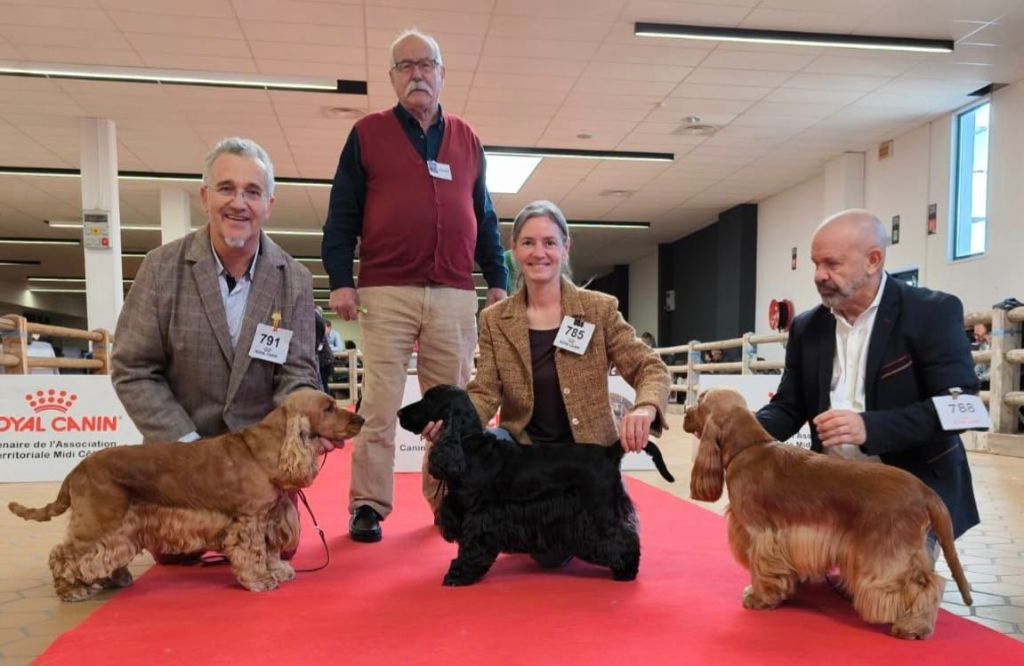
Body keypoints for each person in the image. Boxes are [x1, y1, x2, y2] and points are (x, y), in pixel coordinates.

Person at [321, 28, 507, 543]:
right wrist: (340, 280)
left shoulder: (467, 139)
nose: (417, 73)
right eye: (406, 66)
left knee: (452, 406)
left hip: (453, 291)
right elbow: (342, 214)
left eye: (427, 64)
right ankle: (368, 505)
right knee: (379, 404)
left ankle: (448, 499)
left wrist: (497, 278)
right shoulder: (367, 134)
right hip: (385, 290)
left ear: (442, 74)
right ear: (392, 78)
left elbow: (484, 217)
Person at [112, 137, 328, 563]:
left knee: (280, 551)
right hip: (182, 463)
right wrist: (187, 445)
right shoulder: (160, 268)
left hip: (258, 467)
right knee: (175, 557)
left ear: (269, 204)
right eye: (227, 188)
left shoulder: (295, 280)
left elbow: (298, 374)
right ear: (205, 196)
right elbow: (132, 368)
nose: (239, 203)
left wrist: (308, 424)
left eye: (252, 192)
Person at [422, 200, 671, 525]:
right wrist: (451, 424)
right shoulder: (496, 319)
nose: (539, 252)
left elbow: (650, 368)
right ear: (514, 250)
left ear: (565, 248)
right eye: (528, 242)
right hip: (523, 453)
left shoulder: (599, 309)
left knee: (574, 545)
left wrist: (645, 407)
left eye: (549, 242)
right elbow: (484, 392)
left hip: (586, 457)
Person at [755, 209, 980, 541]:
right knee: (798, 582)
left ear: (873, 261)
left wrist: (869, 426)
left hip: (911, 494)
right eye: (816, 264)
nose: (819, 275)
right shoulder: (806, 327)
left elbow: (964, 410)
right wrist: (742, 426)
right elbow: (789, 406)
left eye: (832, 264)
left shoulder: (932, 312)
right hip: (832, 491)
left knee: (885, 591)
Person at [973, 322, 991, 389]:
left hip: (990, 382)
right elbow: (980, 366)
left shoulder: (995, 344)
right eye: (975, 334)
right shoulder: (983, 345)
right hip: (983, 380)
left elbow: (993, 372)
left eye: (979, 335)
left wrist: (979, 379)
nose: (976, 338)